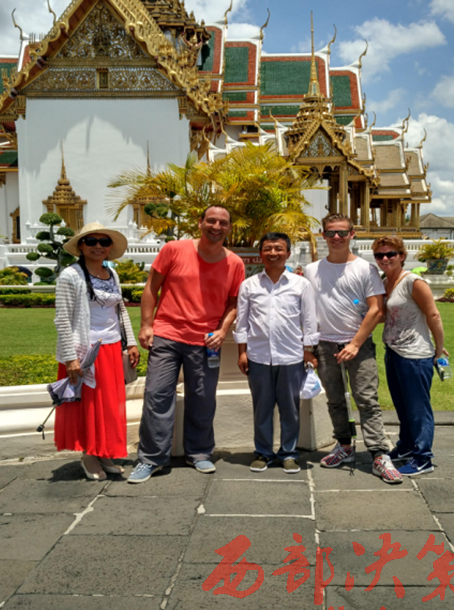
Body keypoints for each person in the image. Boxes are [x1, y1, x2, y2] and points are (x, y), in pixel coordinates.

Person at [128, 205, 245, 482]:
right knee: (157, 395)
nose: (216, 227)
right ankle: (151, 458)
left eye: (223, 223)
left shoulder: (234, 263)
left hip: (206, 341)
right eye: (211, 221)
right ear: (200, 222)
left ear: (229, 228)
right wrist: (146, 325)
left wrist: (222, 330)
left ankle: (199, 453)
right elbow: (151, 287)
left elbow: (233, 302)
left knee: (202, 399)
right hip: (167, 335)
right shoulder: (174, 250)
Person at [304, 213, 402, 484]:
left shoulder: (364, 269)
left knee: (367, 399)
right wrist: (307, 347)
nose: (336, 237)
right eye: (331, 233)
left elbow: (376, 309)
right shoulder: (312, 270)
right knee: (335, 399)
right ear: (323, 235)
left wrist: (355, 343)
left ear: (352, 234)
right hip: (325, 344)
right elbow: (308, 311)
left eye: (342, 232)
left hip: (358, 343)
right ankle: (344, 445)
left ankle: (379, 453)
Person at [55, 222, 140, 480]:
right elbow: (62, 319)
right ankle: (89, 454)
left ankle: (103, 451)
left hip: (112, 347)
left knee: (108, 405)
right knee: (89, 406)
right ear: (81, 245)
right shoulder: (70, 275)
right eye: (91, 241)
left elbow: (120, 309)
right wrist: (70, 358)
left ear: (110, 247)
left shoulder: (111, 274)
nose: (98, 246)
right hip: (85, 351)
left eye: (104, 242)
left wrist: (131, 342)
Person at [234, 233, 319, 473]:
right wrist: (242, 352)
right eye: (268, 248)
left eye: (279, 249)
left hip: (291, 356)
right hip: (258, 356)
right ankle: (263, 452)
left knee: (290, 409)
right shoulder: (249, 285)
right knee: (262, 408)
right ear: (260, 253)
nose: (273, 253)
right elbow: (242, 323)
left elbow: (309, 321)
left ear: (288, 253)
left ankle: (289, 453)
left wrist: (308, 351)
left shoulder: (301, 285)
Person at [373, 236, 448, 476]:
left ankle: (423, 456)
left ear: (402, 256)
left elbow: (433, 315)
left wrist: (439, 348)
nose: (385, 258)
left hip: (415, 354)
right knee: (402, 404)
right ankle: (406, 445)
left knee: (418, 408)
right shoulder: (386, 282)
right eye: (380, 255)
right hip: (393, 351)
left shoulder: (413, 282)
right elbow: (386, 315)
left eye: (391, 254)